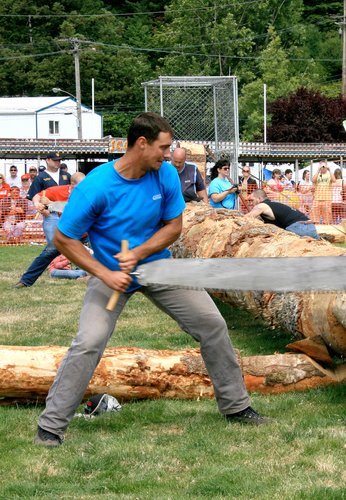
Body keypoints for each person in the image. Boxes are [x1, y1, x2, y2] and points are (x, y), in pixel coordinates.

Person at [33, 112, 269, 448]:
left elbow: (173, 227)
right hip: (109, 273)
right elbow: (65, 239)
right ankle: (51, 427)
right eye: (163, 147)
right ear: (141, 144)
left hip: (157, 267)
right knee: (89, 341)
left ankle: (237, 407)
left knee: (212, 324)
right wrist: (105, 273)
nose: (168, 153)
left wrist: (139, 252)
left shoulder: (165, 176)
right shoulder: (97, 186)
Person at [14, 172, 85, 288]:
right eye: (80, 186)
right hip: (66, 234)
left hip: (87, 234)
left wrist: (51, 204)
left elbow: (73, 209)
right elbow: (37, 196)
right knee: (47, 254)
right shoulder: (58, 191)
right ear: (71, 185)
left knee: (101, 258)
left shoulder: (89, 194)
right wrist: (38, 203)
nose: (84, 189)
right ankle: (25, 281)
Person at [246, 189, 320, 239]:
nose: (251, 203)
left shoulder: (262, 205)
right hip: (310, 226)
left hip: (297, 227)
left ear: (259, 198)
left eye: (252, 200)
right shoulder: (273, 204)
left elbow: (247, 218)